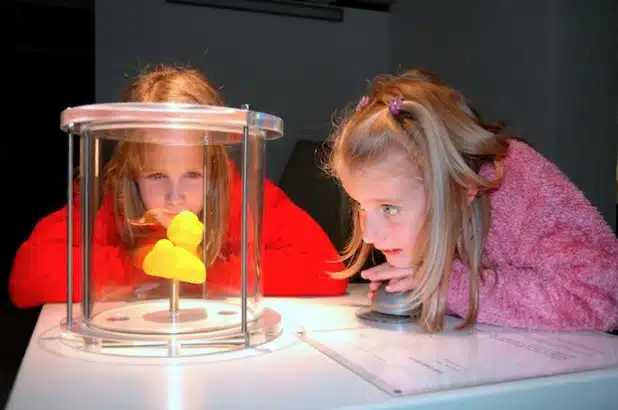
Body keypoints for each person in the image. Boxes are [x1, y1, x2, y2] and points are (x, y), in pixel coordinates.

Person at [9, 65, 347, 308]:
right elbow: (27, 277)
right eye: (156, 176)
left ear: (213, 170)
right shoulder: (110, 198)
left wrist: (200, 268)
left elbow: (330, 270)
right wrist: (141, 263)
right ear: (133, 172)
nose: (175, 197)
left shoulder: (238, 194)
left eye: (193, 175)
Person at [324, 69, 618, 332]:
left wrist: (446, 284)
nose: (370, 234)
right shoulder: (433, 203)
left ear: (462, 189)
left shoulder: (518, 187)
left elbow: (599, 296)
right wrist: (421, 280)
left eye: (389, 208)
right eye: (362, 207)